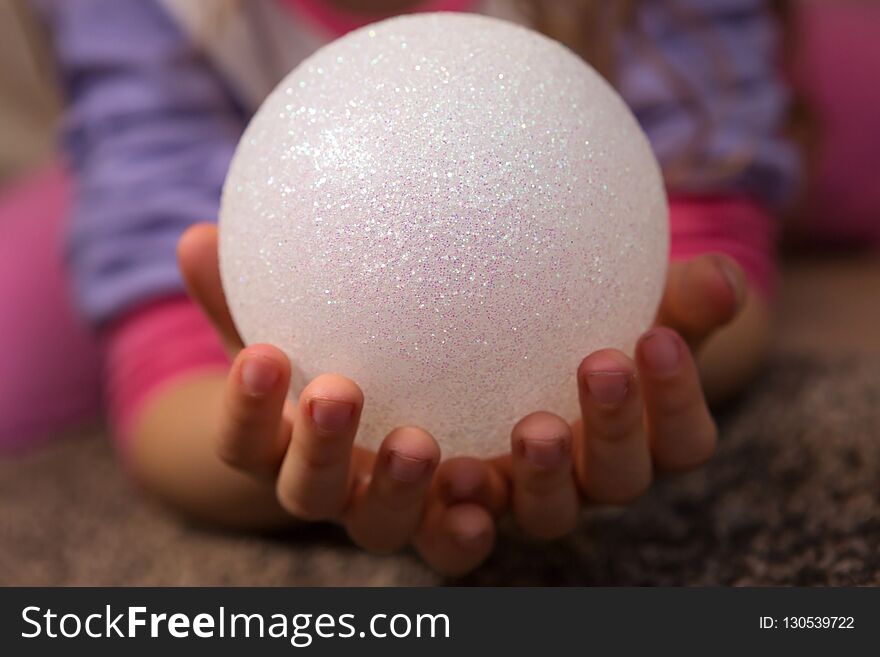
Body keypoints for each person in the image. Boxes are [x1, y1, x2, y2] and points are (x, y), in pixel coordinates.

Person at [18, 0, 798, 575]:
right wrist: (292, 445)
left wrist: (649, 362)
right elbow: (167, 386)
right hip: (247, 225)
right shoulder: (149, 19)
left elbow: (708, 257)